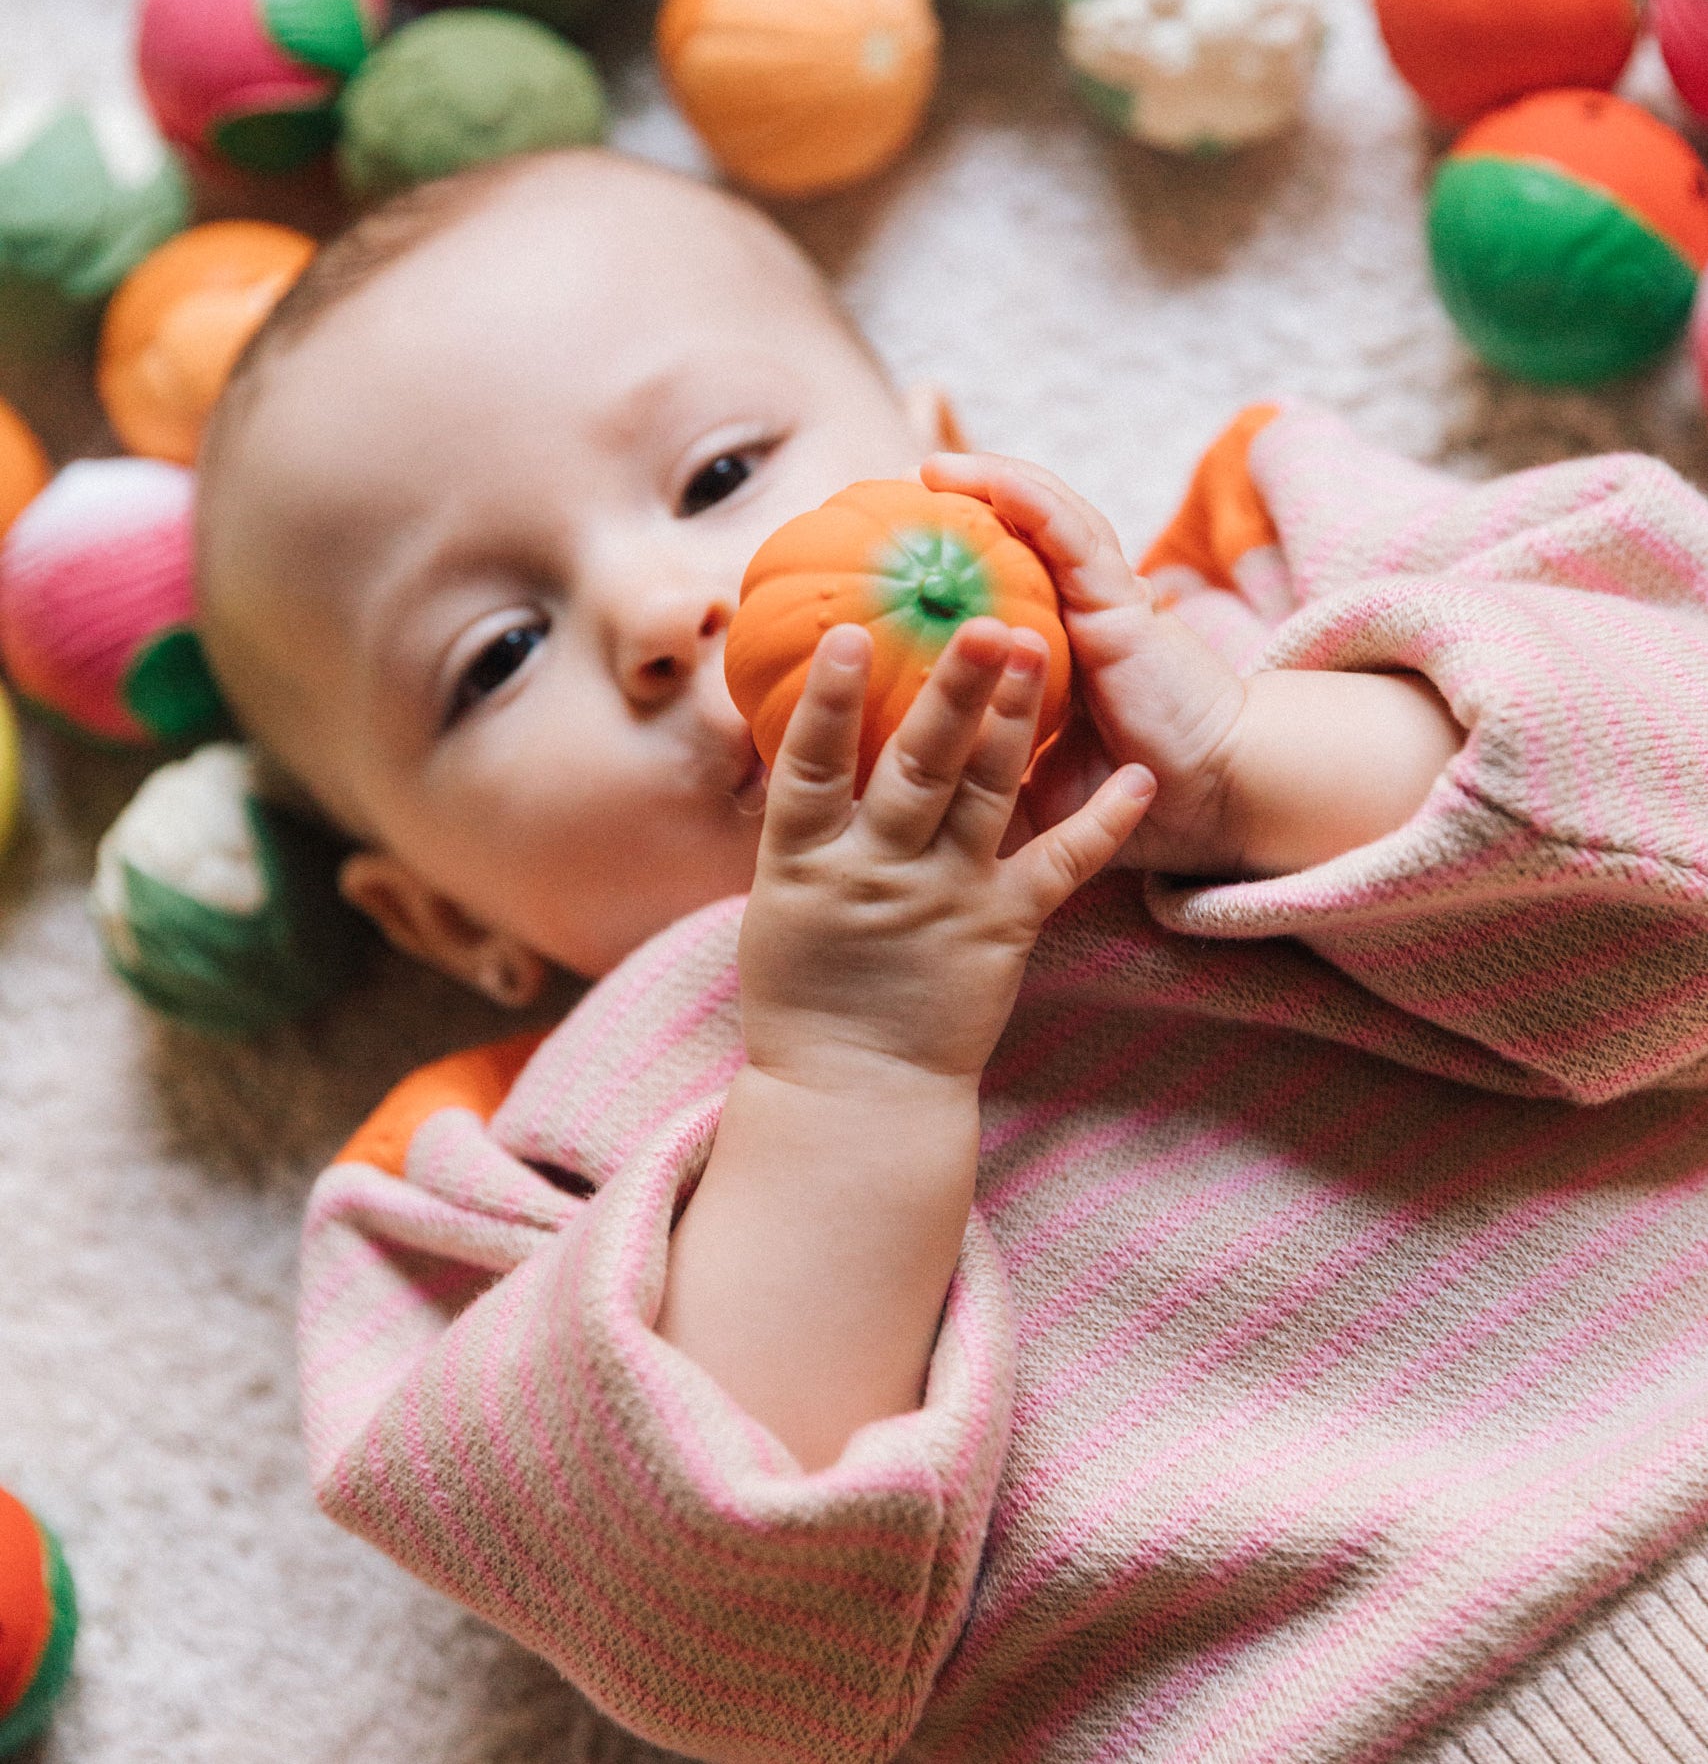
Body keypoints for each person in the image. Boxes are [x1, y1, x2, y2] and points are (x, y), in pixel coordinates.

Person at [202, 150, 1708, 1763]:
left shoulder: (1284, 595)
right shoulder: (506, 1190)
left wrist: (1252, 762)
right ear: (453, 920)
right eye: (494, 657)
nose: (662, 608)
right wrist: (847, 1068)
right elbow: (743, 1655)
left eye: (718, 476)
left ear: (946, 461)